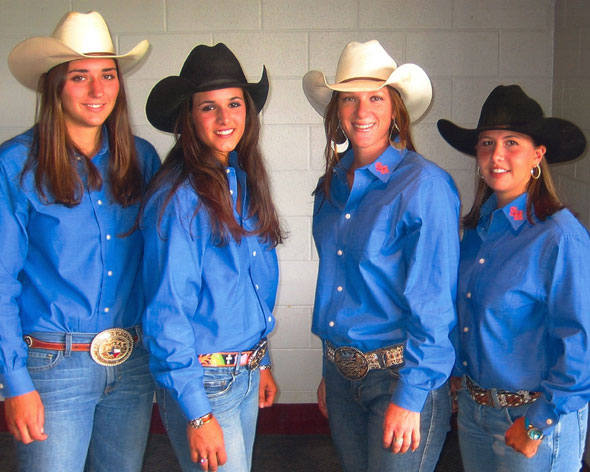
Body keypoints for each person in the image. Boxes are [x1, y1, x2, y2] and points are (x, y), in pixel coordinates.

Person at [0, 11, 160, 472]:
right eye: (80, 77)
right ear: (54, 86)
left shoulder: (141, 159)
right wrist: (14, 382)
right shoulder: (15, 166)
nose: (97, 91)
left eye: (107, 75)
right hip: (52, 367)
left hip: (130, 363)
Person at [302, 40, 459, 472]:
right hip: (342, 375)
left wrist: (410, 398)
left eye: (375, 97)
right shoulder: (331, 185)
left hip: (401, 376)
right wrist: (332, 368)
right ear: (336, 111)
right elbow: (339, 287)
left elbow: (434, 301)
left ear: (395, 110)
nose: (361, 110)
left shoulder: (423, 186)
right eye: (348, 99)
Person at [141, 43, 283, 472]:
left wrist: (261, 362)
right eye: (209, 107)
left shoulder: (240, 181)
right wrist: (198, 414)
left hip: (242, 371)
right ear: (187, 118)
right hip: (203, 382)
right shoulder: (179, 198)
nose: (225, 119)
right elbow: (167, 313)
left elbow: (247, 289)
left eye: (234, 103)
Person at [437, 84, 590, 471]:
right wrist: (459, 375)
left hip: (534, 417)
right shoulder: (477, 231)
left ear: (538, 154)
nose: (496, 155)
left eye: (512, 143)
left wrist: (537, 425)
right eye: (487, 143)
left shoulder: (559, 236)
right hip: (476, 412)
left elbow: (581, 346)